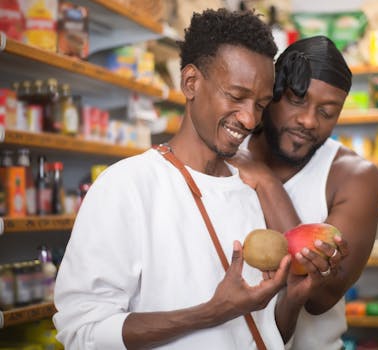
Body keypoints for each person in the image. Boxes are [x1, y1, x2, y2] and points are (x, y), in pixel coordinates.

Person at [53, 9, 298, 349]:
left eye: (260, 104)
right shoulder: (127, 186)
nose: (249, 118)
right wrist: (211, 312)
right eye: (236, 96)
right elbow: (82, 332)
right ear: (190, 83)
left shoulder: (249, 191)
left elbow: (263, 326)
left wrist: (300, 291)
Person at [231, 35, 378, 350]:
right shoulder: (227, 151)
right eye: (297, 100)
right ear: (272, 92)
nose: (308, 120)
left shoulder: (355, 177)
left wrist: (266, 181)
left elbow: (321, 298)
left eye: (327, 112)